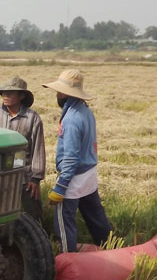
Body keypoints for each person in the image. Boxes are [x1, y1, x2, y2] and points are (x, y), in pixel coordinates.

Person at [43, 69, 113, 253]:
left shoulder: (71, 119)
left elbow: (71, 157)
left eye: (59, 91)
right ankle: (112, 248)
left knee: (64, 220)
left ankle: (68, 259)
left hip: (74, 176)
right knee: (95, 215)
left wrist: (60, 186)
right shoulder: (85, 112)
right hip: (89, 173)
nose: (57, 95)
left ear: (65, 93)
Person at [0, 76, 46, 222]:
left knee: (33, 215)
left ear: (21, 96)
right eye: (4, 93)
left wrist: (36, 179)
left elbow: (38, 147)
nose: (6, 96)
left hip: (24, 175)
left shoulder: (32, 118)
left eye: (11, 93)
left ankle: (39, 239)